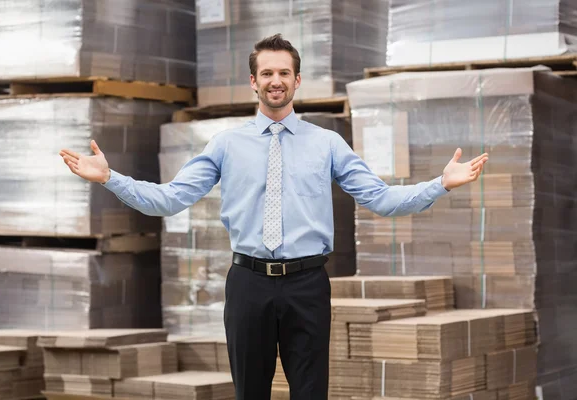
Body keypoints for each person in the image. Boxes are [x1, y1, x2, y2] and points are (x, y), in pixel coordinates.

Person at [59, 34, 488, 400]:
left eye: (284, 73)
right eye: (267, 73)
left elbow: (379, 198)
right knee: (250, 392)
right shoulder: (226, 144)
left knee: (310, 392)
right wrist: (110, 178)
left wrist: (441, 184)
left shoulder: (328, 145)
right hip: (248, 284)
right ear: (253, 82)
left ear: (297, 80)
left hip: (307, 285)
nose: (275, 81)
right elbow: (169, 199)